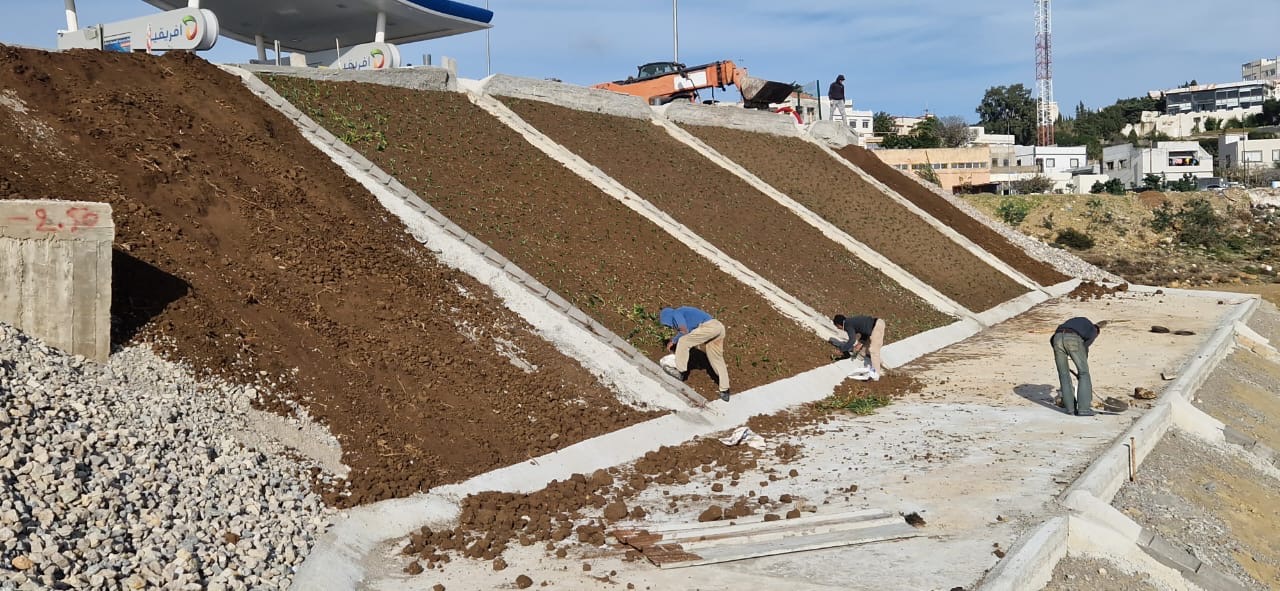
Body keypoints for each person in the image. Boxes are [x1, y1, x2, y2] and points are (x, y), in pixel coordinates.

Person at [659, 306, 731, 402]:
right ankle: (725, 390)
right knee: (717, 359)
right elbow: (688, 330)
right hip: (718, 327)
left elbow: (684, 331)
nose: (669, 327)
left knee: (683, 341)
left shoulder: (676, 313)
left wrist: (674, 340)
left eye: (667, 324)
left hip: (708, 327)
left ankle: (680, 372)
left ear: (667, 317)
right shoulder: (684, 312)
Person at [1051, 317, 1103, 416]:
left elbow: (1052, 340)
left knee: (1063, 374)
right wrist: (1082, 369)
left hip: (1057, 338)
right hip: (1072, 338)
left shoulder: (1080, 323)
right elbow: (1084, 347)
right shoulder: (1093, 330)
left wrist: (1058, 352)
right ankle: (1084, 409)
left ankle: (1070, 409)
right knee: (1084, 374)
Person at [832, 314, 885, 381]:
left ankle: (875, 375)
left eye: (837, 327)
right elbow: (864, 331)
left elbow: (852, 340)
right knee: (864, 351)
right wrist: (859, 344)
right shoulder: (851, 321)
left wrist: (841, 350)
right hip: (875, 325)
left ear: (838, 324)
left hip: (876, 326)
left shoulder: (847, 324)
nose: (838, 328)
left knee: (874, 350)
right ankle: (872, 359)